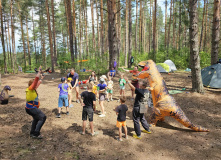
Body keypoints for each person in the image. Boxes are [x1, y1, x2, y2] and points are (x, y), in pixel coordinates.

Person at [25, 66, 46, 139]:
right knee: (43, 117)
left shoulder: (33, 88)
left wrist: (42, 78)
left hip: (29, 108)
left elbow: (38, 82)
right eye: (34, 84)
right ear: (32, 84)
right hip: (31, 108)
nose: (36, 85)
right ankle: (36, 133)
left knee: (36, 118)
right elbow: (36, 80)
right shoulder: (31, 88)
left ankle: (32, 133)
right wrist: (39, 72)